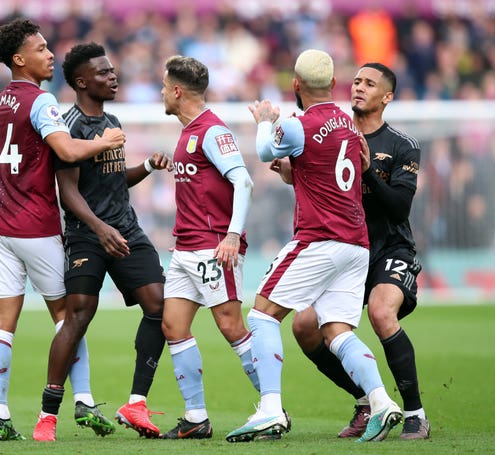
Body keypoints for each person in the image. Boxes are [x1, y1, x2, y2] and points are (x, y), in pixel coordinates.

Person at [226, 49, 402, 443]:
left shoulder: (296, 125)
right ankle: (381, 401)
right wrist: (295, 170)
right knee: (337, 331)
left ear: (296, 85)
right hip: (357, 244)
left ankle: (270, 410)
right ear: (334, 83)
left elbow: (265, 151)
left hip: (320, 237)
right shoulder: (348, 124)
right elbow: (337, 172)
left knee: (262, 315)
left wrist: (266, 121)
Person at [0, 19, 125, 441]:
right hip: (35, 227)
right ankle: (82, 401)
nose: (49, 55)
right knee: (69, 317)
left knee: (2, 322)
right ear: (19, 59)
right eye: (41, 48)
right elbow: (65, 149)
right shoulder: (40, 101)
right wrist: (105, 142)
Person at [32, 42, 172, 441]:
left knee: (159, 306)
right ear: (81, 81)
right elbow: (68, 191)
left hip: (125, 229)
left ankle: (136, 403)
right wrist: (98, 229)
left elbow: (111, 178)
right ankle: (48, 415)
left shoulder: (111, 120)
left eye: (112, 71)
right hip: (87, 235)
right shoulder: (67, 126)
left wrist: (145, 167)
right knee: (78, 315)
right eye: (104, 72)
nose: (113, 76)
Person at [291, 62, 430, 440]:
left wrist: (368, 170)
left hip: (389, 248)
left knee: (382, 313)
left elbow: (400, 208)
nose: (358, 87)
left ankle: (416, 413)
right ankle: (367, 400)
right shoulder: (334, 133)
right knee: (303, 327)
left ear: (387, 97)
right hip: (343, 247)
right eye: (355, 81)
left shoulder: (403, 146)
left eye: (369, 84)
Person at [158, 55, 259, 439]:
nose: (163, 93)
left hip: (214, 245)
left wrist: (233, 234)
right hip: (185, 247)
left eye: (166, 87)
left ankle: (271, 407)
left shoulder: (213, 131)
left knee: (231, 325)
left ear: (178, 91)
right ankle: (196, 417)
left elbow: (243, 181)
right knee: (173, 325)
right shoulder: (188, 131)